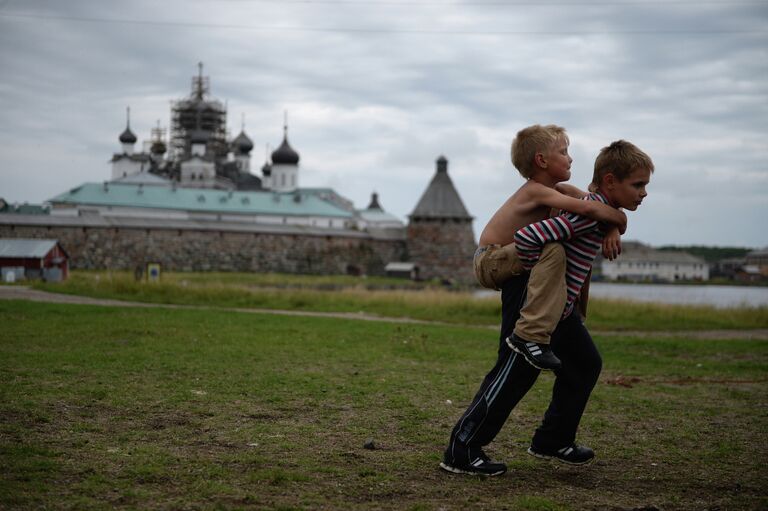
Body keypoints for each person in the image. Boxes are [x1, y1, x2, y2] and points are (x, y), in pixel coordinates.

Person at [440, 139, 654, 476]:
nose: (643, 193)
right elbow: (530, 237)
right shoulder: (584, 215)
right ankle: (462, 448)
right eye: (638, 185)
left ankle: (552, 439)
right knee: (515, 372)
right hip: (532, 298)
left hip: (560, 309)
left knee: (584, 364)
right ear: (611, 181)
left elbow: (581, 260)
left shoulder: (595, 213)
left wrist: (613, 224)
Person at [474, 125, 626, 371]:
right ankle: (527, 336)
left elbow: (598, 204)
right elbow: (589, 209)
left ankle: (574, 315)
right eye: (564, 152)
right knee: (555, 248)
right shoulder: (534, 191)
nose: (571, 158)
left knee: (568, 246)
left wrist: (610, 227)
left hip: (512, 256)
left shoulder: (556, 191)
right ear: (542, 160)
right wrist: (621, 221)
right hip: (491, 260)